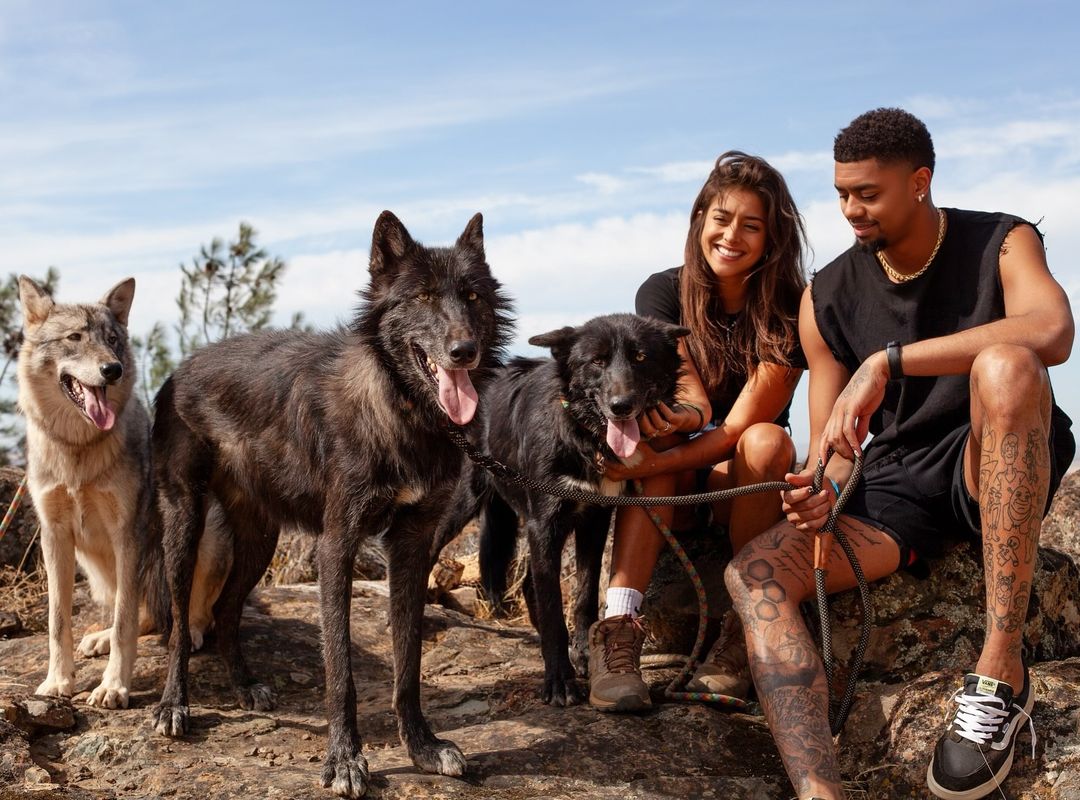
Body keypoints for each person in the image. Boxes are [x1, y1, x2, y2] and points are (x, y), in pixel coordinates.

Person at [724, 108, 1075, 800]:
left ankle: (1002, 672)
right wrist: (822, 490)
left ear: (920, 182)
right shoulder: (826, 295)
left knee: (1007, 365)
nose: (851, 209)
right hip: (896, 483)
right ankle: (821, 791)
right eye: (841, 194)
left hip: (992, 452)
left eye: (868, 194)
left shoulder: (1003, 242)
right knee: (753, 576)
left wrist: (889, 362)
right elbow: (837, 449)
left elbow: (1054, 331)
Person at [588, 151, 808, 712]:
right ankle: (618, 627)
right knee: (662, 437)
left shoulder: (791, 307)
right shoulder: (661, 294)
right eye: (721, 218)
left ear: (771, 237)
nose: (732, 235)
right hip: (678, 479)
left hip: (744, 482)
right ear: (699, 220)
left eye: (751, 225)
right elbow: (690, 398)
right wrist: (670, 438)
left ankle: (743, 631)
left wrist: (638, 466)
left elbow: (737, 428)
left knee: (768, 440)